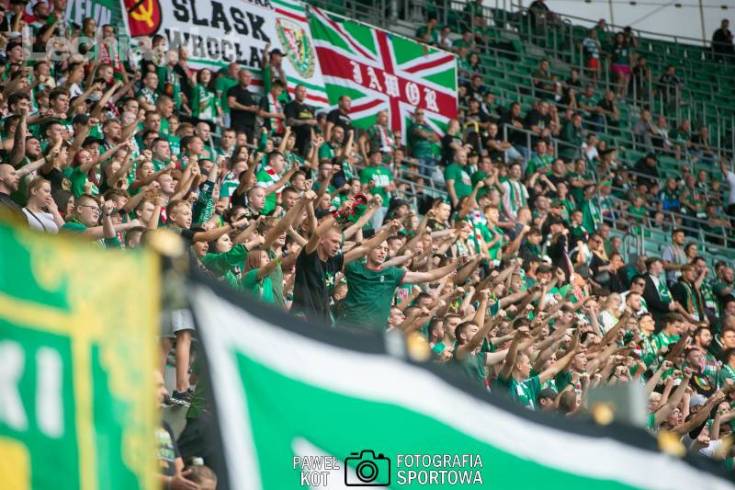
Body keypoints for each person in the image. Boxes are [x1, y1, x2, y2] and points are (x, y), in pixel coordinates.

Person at [227, 69, 259, 143]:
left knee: (249, 147)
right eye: (246, 76)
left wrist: (256, 109)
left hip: (251, 127)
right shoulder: (234, 89)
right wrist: (248, 108)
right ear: (239, 77)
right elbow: (231, 103)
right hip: (239, 125)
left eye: (250, 77)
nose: (249, 79)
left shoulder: (249, 93)